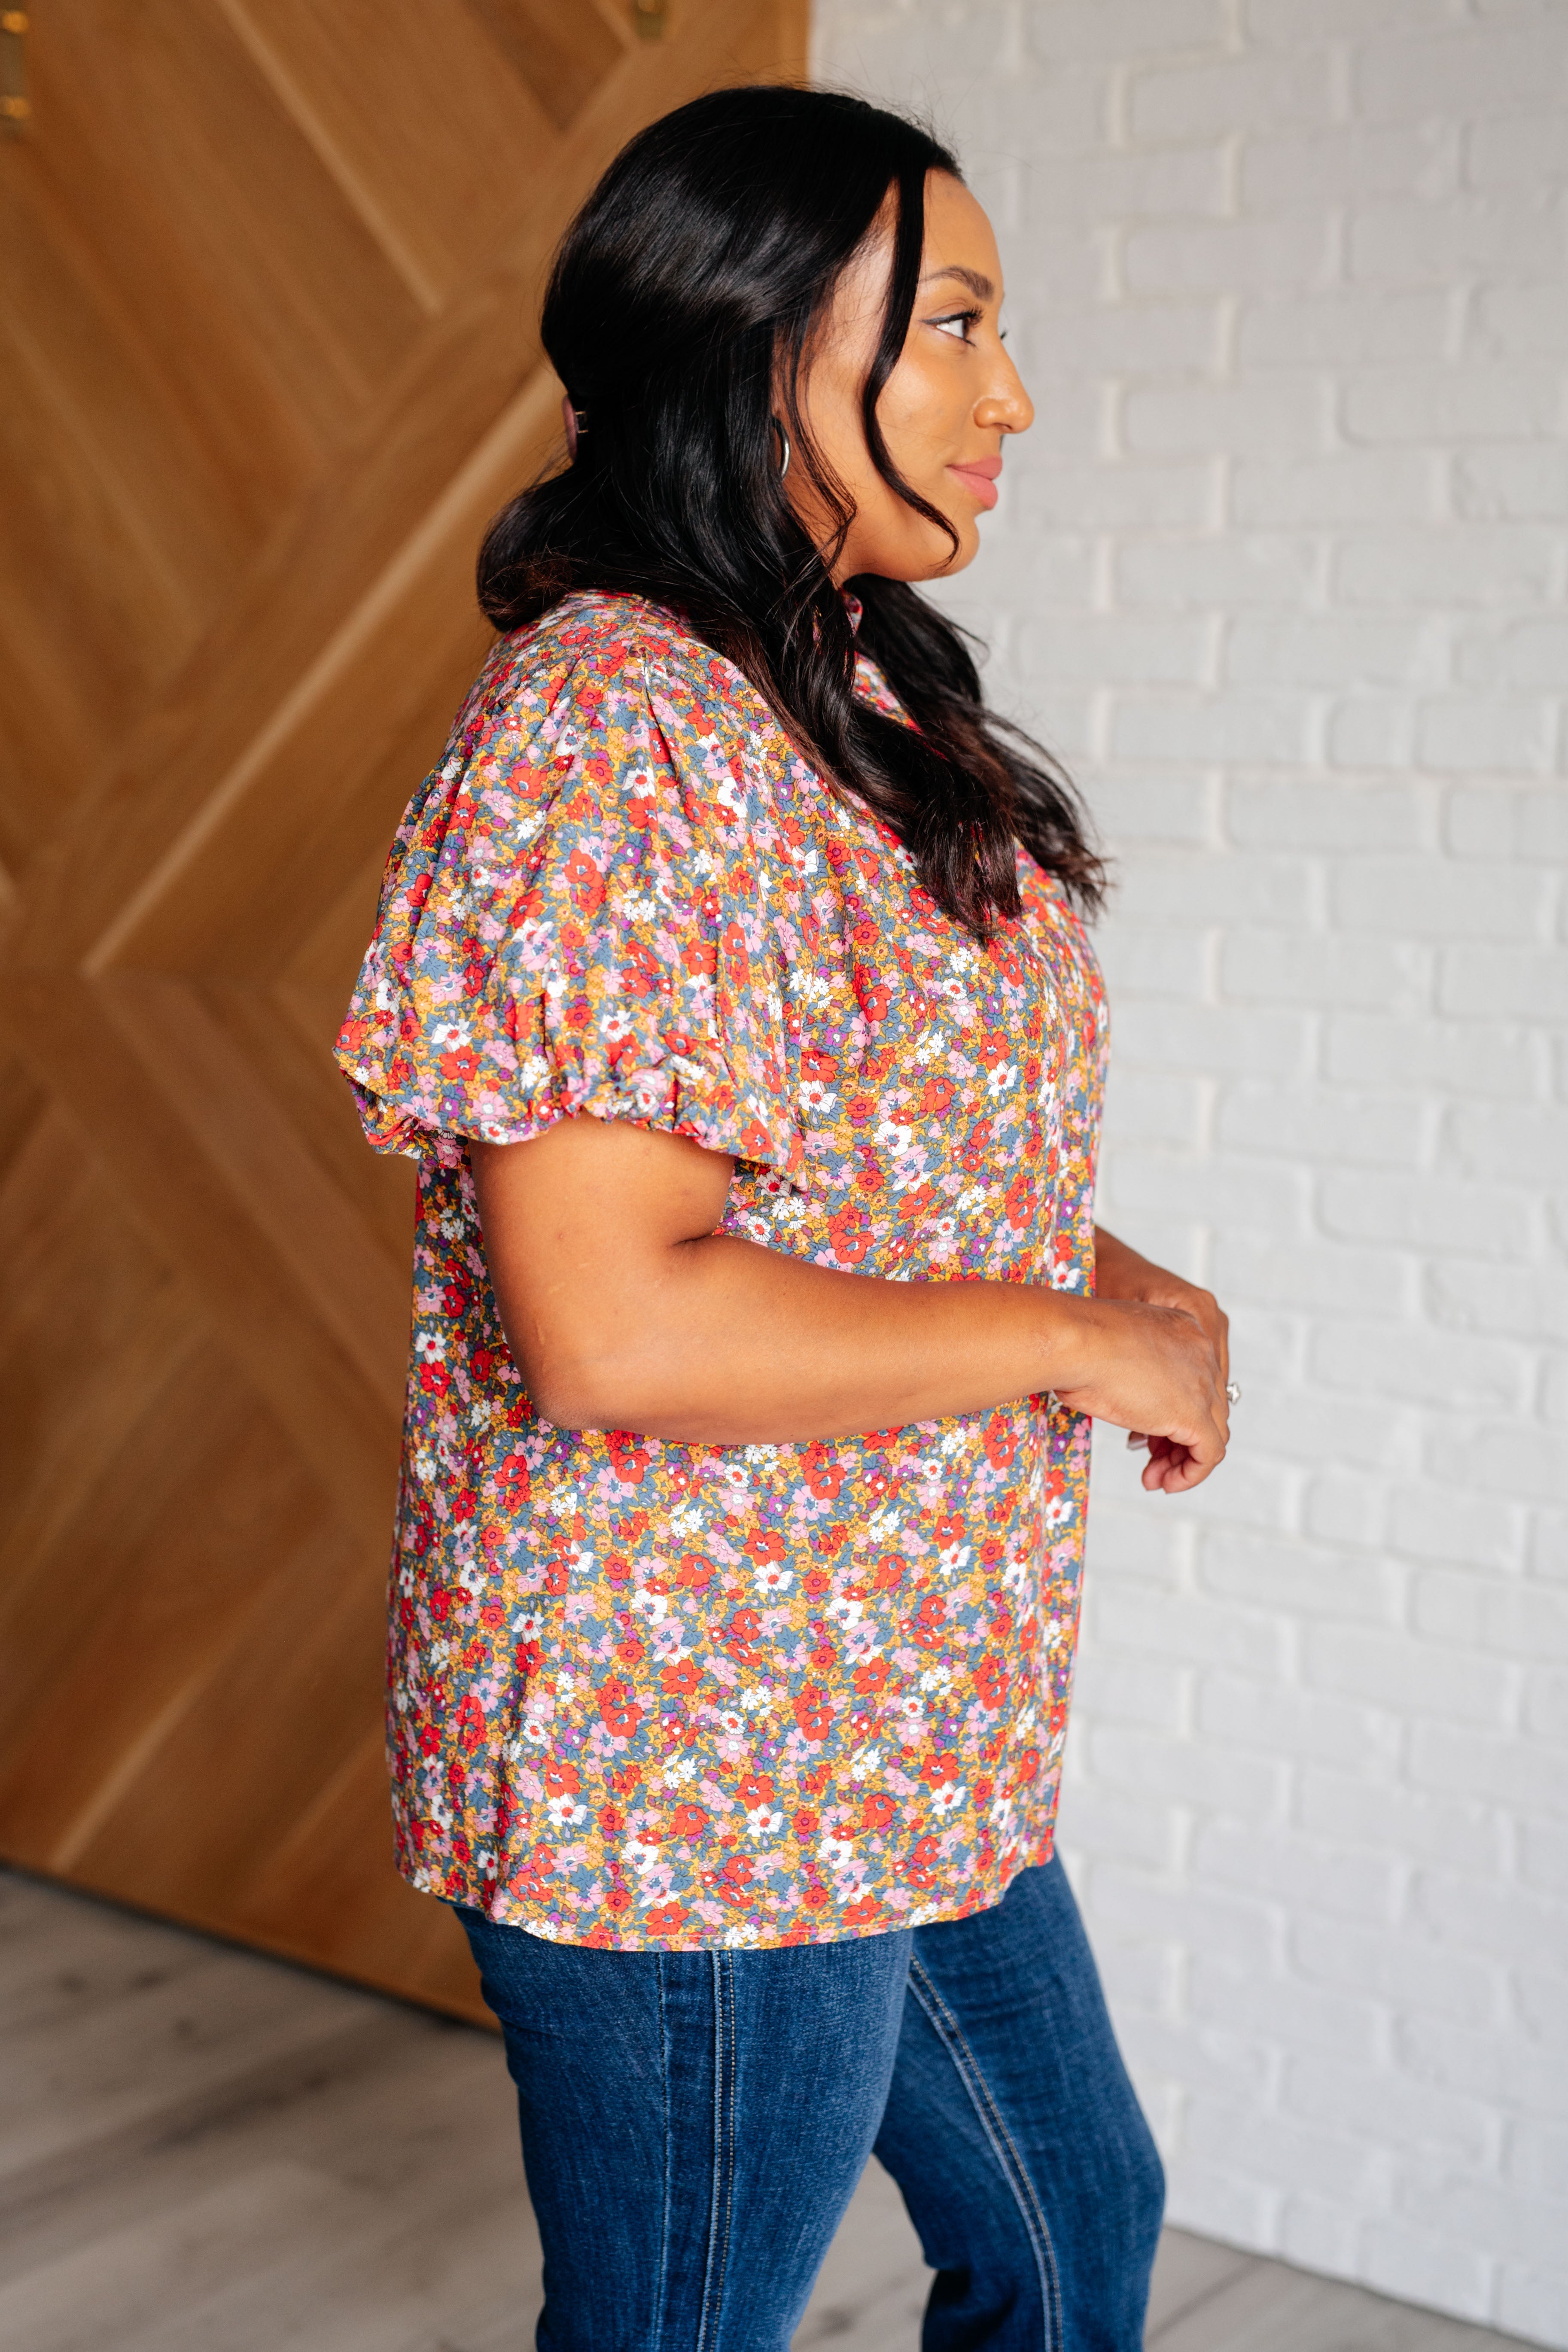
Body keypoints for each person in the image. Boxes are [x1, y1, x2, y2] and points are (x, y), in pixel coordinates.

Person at [336, 83, 1232, 2352]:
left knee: (1069, 2220)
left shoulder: (847, 682)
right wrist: (1066, 1342)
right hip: (697, 1749)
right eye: (947, 324)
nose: (1006, 391)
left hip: (886, 1706)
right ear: (749, 349)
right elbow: (617, 1319)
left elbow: (881, 1139)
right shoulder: (617, 723)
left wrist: (1116, 1277)